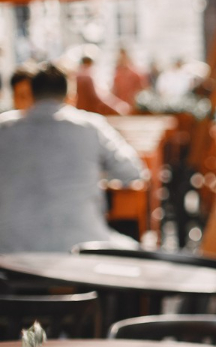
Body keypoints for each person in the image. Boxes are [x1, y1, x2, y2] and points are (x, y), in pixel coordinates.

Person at [0, 62, 147, 253]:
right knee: (133, 251)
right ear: (69, 95)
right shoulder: (91, 126)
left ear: (33, 94)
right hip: (81, 247)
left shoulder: (3, 128)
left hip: (10, 250)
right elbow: (133, 172)